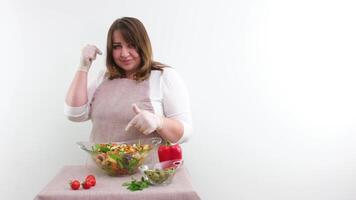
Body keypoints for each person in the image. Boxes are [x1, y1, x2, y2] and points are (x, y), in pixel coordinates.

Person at [64, 17, 192, 144]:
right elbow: (74, 114)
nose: (124, 54)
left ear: (142, 45)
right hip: (101, 163)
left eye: (131, 45)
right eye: (117, 46)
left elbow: (186, 133)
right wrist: (83, 66)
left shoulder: (164, 76)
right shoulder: (103, 78)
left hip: (149, 165)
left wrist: (159, 122)